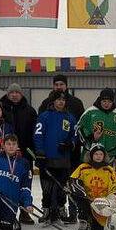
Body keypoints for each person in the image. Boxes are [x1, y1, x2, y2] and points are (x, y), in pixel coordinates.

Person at [33, 92, 77, 223]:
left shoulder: (70, 118)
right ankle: (46, 209)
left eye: (63, 100)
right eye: (58, 99)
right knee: (47, 187)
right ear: (53, 101)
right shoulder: (44, 116)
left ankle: (61, 208)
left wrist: (70, 144)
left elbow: (75, 135)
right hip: (47, 157)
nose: (61, 102)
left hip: (63, 158)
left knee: (61, 187)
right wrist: (40, 152)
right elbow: (38, 134)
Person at [67, 144, 116, 230]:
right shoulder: (83, 167)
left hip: (101, 203)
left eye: (101, 154)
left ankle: (98, 220)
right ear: (91, 155)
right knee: (80, 198)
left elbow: (114, 186)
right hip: (87, 199)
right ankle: (83, 221)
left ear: (104, 156)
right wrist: (79, 191)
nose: (98, 156)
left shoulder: (109, 170)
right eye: (96, 154)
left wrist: (112, 199)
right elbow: (73, 181)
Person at [76, 87, 116, 162]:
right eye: (104, 101)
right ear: (100, 100)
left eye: (109, 101)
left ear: (113, 101)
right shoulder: (90, 111)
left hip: (111, 155)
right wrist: (91, 136)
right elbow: (78, 127)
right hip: (91, 154)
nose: (106, 104)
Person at [0, 83, 38, 166]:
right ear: (7, 95)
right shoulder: (1, 110)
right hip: (6, 150)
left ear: (21, 94)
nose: (14, 95)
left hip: (25, 151)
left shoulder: (30, 111)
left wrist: (34, 149)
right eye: (12, 92)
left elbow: (35, 132)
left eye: (17, 92)